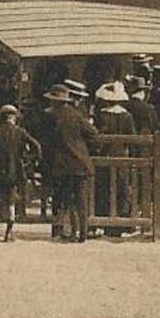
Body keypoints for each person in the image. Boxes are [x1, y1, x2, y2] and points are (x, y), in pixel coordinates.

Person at [38, 83, 100, 243]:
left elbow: (42, 137)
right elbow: (94, 135)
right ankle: (82, 233)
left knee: (61, 198)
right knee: (80, 198)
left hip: (59, 163)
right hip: (79, 161)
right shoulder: (77, 116)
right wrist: (86, 149)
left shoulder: (47, 116)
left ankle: (61, 230)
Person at [0, 104, 41, 242]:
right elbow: (37, 147)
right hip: (15, 171)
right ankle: (8, 233)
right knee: (11, 201)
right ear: (15, 118)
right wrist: (29, 161)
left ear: (1, 117)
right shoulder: (21, 132)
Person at [92, 82, 137, 233]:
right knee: (121, 189)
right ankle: (121, 223)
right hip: (122, 156)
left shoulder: (101, 115)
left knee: (104, 189)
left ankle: (105, 221)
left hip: (105, 156)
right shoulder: (127, 116)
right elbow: (133, 139)